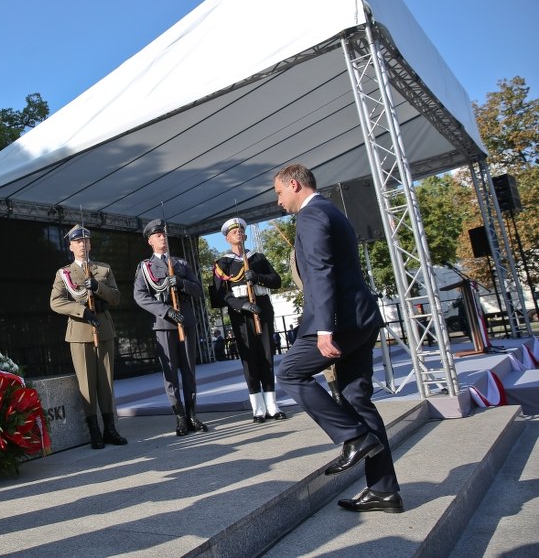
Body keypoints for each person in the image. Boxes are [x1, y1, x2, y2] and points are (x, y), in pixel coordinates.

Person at [273, 164, 402, 513]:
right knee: (358, 402)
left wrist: (324, 328)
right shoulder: (333, 211)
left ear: (294, 184)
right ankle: (384, 490)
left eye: (280, 193)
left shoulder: (312, 216)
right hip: (361, 320)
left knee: (289, 373)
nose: (279, 202)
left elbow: (320, 273)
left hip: (338, 323)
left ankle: (353, 437)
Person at [49, 225, 126, 449]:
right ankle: (94, 430)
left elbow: (116, 297)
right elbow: (56, 302)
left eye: (86, 241)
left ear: (90, 244)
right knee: (87, 383)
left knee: (106, 381)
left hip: (104, 329)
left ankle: (110, 428)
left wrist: (98, 288)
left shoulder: (103, 269)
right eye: (78, 241)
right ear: (71, 246)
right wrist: (82, 310)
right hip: (80, 331)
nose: (83, 244)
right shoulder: (64, 273)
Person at [133, 219, 208, 436]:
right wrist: (165, 311)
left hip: (186, 321)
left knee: (189, 371)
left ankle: (192, 415)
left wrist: (182, 283)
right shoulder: (145, 267)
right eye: (158, 235)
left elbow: (198, 290)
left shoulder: (181, 263)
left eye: (164, 235)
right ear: (150, 241)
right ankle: (179, 417)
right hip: (164, 324)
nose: (162, 238)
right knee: (170, 374)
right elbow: (140, 296)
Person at [210, 217, 286, 424]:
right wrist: (241, 305)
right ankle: (258, 407)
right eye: (234, 232)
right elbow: (218, 296)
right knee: (249, 358)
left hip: (262, 309)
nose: (239, 234)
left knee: (267, 355)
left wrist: (258, 277)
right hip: (241, 314)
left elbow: (277, 281)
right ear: (227, 238)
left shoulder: (258, 258)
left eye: (241, 231)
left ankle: (272, 404)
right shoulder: (222, 264)